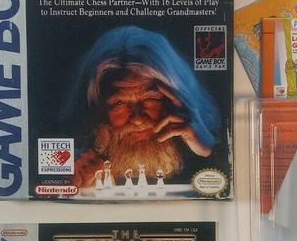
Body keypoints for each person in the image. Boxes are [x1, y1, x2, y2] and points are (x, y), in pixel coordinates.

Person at [65, 26, 221, 188]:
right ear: (97, 108)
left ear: (175, 100)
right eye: (119, 103)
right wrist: (80, 190)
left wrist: (207, 149)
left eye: (150, 99)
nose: (138, 119)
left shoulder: (203, 144)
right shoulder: (74, 162)